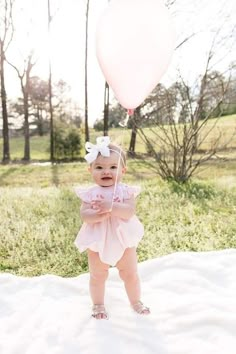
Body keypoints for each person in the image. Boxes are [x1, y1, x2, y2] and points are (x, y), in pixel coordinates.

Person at [74, 136, 150, 320]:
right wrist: (95, 215)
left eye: (113, 167)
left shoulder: (125, 191)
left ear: (123, 170)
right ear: (90, 169)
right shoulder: (90, 194)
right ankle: (98, 304)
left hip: (123, 240)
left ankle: (135, 301)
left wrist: (111, 206)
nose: (106, 171)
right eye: (99, 167)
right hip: (98, 240)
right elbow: (84, 215)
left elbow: (129, 212)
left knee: (130, 273)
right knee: (98, 275)